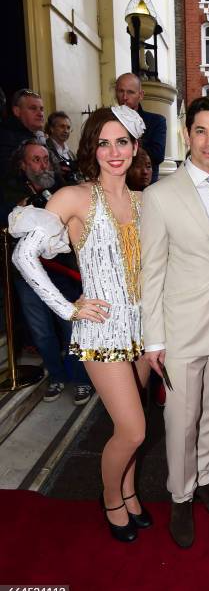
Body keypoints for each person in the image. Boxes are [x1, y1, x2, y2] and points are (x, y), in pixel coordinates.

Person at [9, 105, 152, 542]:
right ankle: (110, 497)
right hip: (100, 331)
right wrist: (69, 308)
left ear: (134, 147)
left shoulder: (144, 201)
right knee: (134, 428)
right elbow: (23, 256)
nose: (114, 151)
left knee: (130, 426)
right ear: (92, 146)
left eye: (122, 141)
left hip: (142, 332)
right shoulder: (74, 197)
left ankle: (129, 492)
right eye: (104, 142)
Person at [141, 96, 209, 548]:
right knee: (180, 420)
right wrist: (154, 339)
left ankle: (205, 478)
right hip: (181, 325)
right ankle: (180, 497)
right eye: (201, 131)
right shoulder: (160, 196)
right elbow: (152, 271)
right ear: (187, 133)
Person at [6, 139, 92, 405]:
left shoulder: (64, 190)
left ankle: (80, 380)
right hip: (27, 277)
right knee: (41, 330)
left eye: (45, 159)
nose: (43, 164)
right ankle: (56, 376)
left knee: (70, 327)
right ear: (23, 165)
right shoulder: (11, 193)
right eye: (36, 159)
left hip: (63, 272)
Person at [115, 73, 166, 182]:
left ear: (141, 95)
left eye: (130, 92)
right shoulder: (108, 121)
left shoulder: (156, 121)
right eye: (121, 91)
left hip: (145, 188)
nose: (124, 97)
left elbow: (157, 155)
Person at [45, 111, 82, 184]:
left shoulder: (70, 153)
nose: (66, 131)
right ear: (52, 128)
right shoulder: (45, 149)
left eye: (68, 128)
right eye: (62, 126)